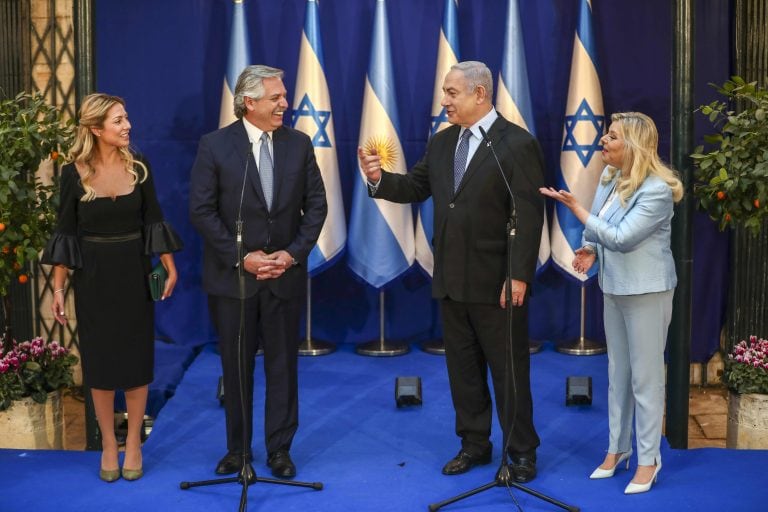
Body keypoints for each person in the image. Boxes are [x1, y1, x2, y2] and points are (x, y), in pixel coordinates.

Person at [358, 61, 544, 483]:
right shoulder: (442, 143)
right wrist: (378, 179)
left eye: (451, 93)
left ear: (480, 94)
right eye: (445, 92)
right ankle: (474, 445)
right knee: (463, 371)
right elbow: (414, 188)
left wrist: (518, 275)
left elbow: (529, 215)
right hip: (451, 280)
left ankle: (522, 452)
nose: (444, 101)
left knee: (509, 371)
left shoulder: (516, 144)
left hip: (498, 282)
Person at [189, 65, 327, 479]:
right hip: (234, 278)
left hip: (282, 276)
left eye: (283, 97)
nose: (286, 103)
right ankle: (238, 450)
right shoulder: (214, 146)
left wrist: (291, 254)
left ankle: (280, 450)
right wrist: (242, 256)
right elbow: (202, 211)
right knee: (236, 367)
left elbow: (316, 206)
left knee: (283, 366)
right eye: (277, 98)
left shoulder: (299, 144)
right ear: (249, 103)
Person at [42, 93, 183, 482]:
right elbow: (65, 234)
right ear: (95, 129)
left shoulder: (139, 167)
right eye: (118, 121)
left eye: (126, 118)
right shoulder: (73, 173)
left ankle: (134, 441)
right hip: (93, 279)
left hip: (135, 274)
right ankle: (108, 443)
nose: (127, 126)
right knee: (101, 364)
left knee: (137, 362)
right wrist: (57, 290)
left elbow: (154, 219)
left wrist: (169, 268)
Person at [540, 111, 683, 494]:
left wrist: (576, 209)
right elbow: (603, 231)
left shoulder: (656, 190)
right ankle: (617, 449)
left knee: (646, 379)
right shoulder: (610, 177)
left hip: (647, 291)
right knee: (618, 374)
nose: (603, 141)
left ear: (633, 145)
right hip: (614, 287)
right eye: (606, 135)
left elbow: (623, 236)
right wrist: (590, 251)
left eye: (612, 137)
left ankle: (649, 459)